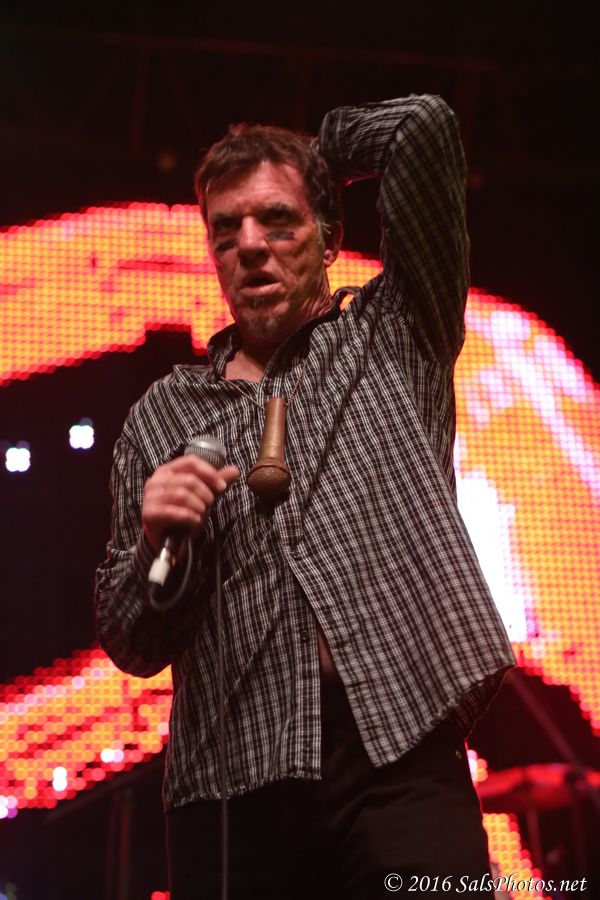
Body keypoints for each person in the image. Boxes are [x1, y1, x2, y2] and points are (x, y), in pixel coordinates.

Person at [95, 94, 516, 899]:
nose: (250, 244)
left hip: (399, 748)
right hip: (234, 781)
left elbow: (423, 127)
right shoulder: (162, 416)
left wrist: (316, 154)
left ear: (329, 236)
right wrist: (157, 546)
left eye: (278, 220)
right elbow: (129, 637)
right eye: (227, 229)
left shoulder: (395, 334)